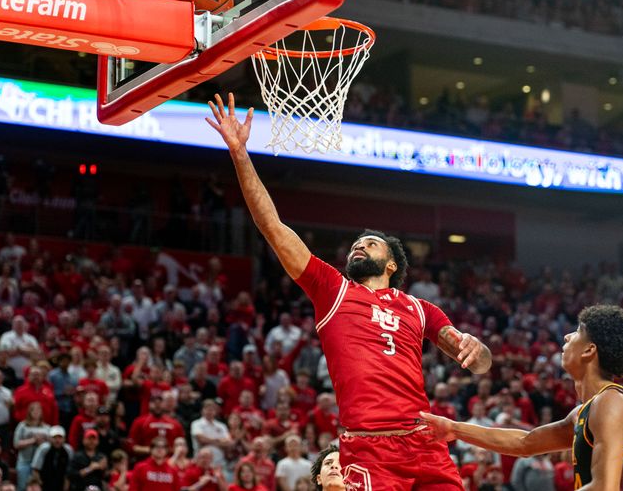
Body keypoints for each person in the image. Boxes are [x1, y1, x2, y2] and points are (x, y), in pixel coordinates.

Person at [207, 92, 491, 490]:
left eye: (372, 243)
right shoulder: (332, 290)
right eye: (358, 243)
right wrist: (239, 154)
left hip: (425, 443)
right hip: (369, 448)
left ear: (392, 264)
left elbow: (477, 364)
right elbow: (272, 226)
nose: (360, 245)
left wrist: (479, 353)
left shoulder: (421, 309)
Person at [421, 304, 623, 491]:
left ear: (589, 351)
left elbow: (604, 488)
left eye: (577, 331)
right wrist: (453, 429)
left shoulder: (611, 402)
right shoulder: (586, 411)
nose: (567, 335)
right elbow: (524, 443)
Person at [31, 426, 73, 491]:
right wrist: (40, 484)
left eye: (60, 437)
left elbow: (69, 471)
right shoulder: (43, 449)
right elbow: (35, 469)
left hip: (61, 483)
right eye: (54, 437)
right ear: (49, 438)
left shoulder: (68, 450)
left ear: (64, 439)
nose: (57, 440)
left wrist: (66, 486)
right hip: (45, 483)